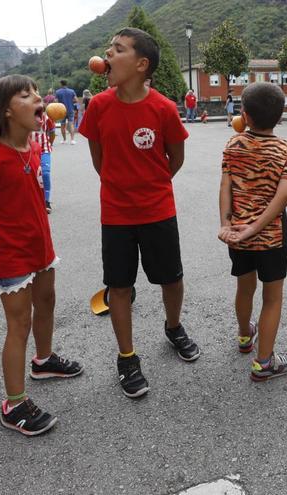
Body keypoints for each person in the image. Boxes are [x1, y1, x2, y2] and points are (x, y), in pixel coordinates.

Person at [0, 75, 83, 436]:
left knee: (47, 302)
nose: (36, 99)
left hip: (40, 248)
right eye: (25, 96)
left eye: (35, 94)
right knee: (19, 326)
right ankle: (13, 405)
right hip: (11, 256)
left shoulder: (31, 146)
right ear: (6, 112)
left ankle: (43, 361)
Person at [79, 27, 199, 398]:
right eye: (109, 48)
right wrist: (120, 186)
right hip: (115, 214)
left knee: (171, 278)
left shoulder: (163, 108)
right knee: (119, 285)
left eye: (117, 50)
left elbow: (175, 158)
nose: (107, 56)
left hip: (158, 209)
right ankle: (127, 357)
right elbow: (99, 158)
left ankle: (174, 327)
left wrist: (152, 186)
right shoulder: (98, 105)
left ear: (141, 64)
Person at [217, 82, 287, 381]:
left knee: (244, 287)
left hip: (237, 233)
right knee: (272, 297)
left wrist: (227, 225)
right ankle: (264, 362)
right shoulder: (286, 150)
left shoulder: (233, 144)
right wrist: (255, 228)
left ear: (245, 115)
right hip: (271, 236)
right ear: (280, 116)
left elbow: (226, 186)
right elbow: (283, 197)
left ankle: (244, 337)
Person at [33, 103, 56, 213]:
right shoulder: (24, 118)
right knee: (31, 176)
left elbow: (52, 132)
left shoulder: (46, 118)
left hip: (44, 149)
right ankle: (34, 200)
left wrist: (49, 144)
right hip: (29, 151)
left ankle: (46, 201)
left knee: (45, 173)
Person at [55, 80, 78, 144]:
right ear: (66, 84)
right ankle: (72, 140)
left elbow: (56, 101)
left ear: (61, 84)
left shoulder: (57, 92)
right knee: (71, 124)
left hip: (62, 111)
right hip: (70, 110)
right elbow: (76, 100)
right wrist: (71, 102)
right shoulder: (71, 91)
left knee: (62, 125)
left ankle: (64, 140)